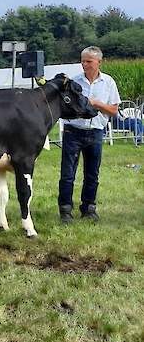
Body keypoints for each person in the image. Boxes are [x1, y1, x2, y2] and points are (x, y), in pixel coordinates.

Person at [58, 46, 120, 224]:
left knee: (92, 173)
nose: (84, 64)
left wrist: (96, 104)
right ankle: (65, 210)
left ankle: (89, 208)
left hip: (95, 132)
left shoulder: (108, 83)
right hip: (73, 131)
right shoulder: (74, 83)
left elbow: (114, 110)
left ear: (99, 62)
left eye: (88, 61)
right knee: (68, 173)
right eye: (82, 61)